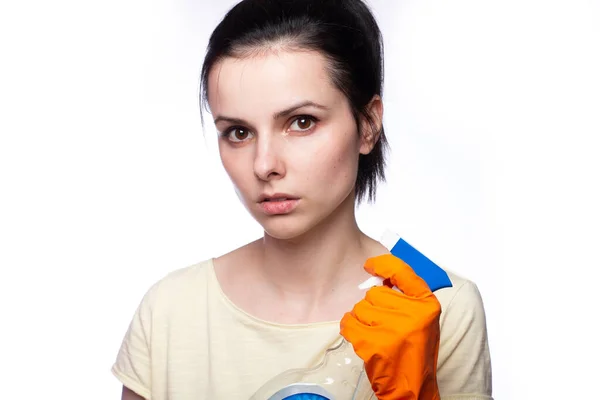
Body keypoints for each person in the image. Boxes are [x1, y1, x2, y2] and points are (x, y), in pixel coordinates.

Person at [111, 0, 493, 399]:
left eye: (301, 122)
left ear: (368, 125)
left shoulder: (441, 308)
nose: (264, 165)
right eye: (238, 132)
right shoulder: (171, 312)